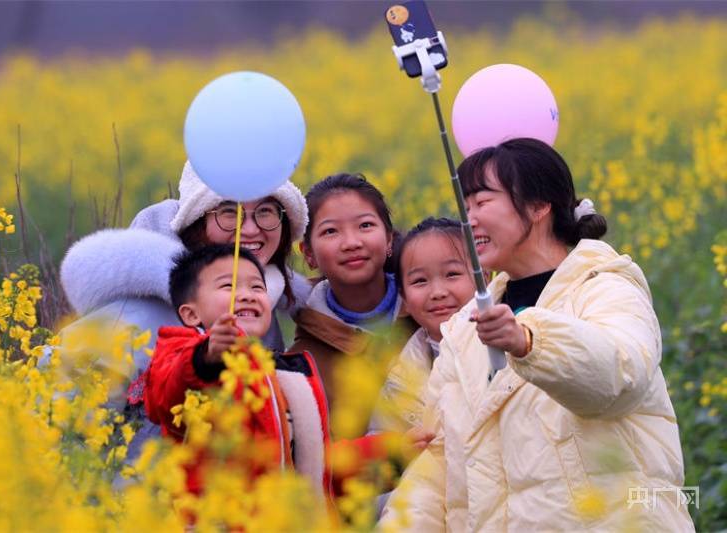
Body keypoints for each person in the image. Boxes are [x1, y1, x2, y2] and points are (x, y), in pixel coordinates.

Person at [380, 138, 694, 531]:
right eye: (465, 207)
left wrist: (531, 343)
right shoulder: (464, 328)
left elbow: (620, 374)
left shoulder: (603, 286)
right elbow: (441, 461)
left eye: (482, 202)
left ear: (539, 205)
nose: (469, 219)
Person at [57, 161, 311, 464]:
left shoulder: (259, 308)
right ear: (196, 222)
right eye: (230, 212)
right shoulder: (132, 316)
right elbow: (60, 430)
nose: (251, 228)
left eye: (266, 211)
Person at [142, 244, 330, 497]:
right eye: (228, 286)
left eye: (257, 287)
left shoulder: (287, 374)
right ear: (190, 314)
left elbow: (318, 466)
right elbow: (168, 394)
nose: (247, 295)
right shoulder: (182, 354)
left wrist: (392, 451)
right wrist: (208, 356)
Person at [290, 173, 417, 409]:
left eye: (365, 225)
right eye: (330, 231)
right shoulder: (302, 362)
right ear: (308, 253)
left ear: (389, 239)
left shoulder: (431, 313)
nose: (351, 242)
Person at [370, 217, 476, 435]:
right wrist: (400, 449)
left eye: (452, 274)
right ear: (404, 299)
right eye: (420, 281)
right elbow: (381, 438)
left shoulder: (506, 348)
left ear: (483, 278)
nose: (437, 292)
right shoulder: (400, 375)